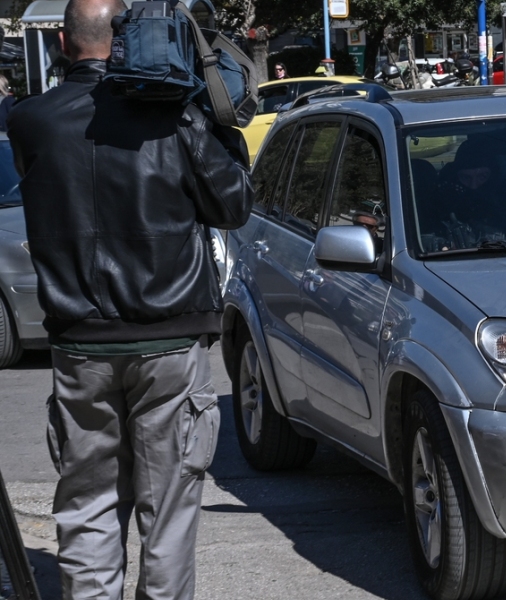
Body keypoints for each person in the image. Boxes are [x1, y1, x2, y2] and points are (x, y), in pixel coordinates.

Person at [6, 0, 254, 597]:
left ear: (62, 43)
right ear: (128, 38)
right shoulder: (175, 117)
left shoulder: (30, 119)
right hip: (170, 337)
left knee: (87, 504)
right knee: (168, 511)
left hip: (79, 343)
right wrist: (213, 113)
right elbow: (232, 206)